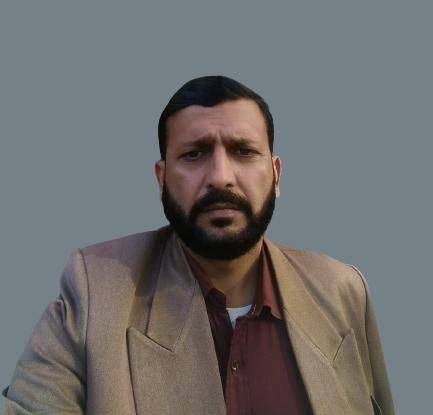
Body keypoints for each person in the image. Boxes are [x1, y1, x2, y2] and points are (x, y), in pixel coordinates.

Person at [3, 76, 394, 414]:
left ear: (276, 175)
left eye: (243, 151)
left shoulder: (343, 291)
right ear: (161, 180)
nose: (220, 177)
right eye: (194, 154)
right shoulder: (94, 291)